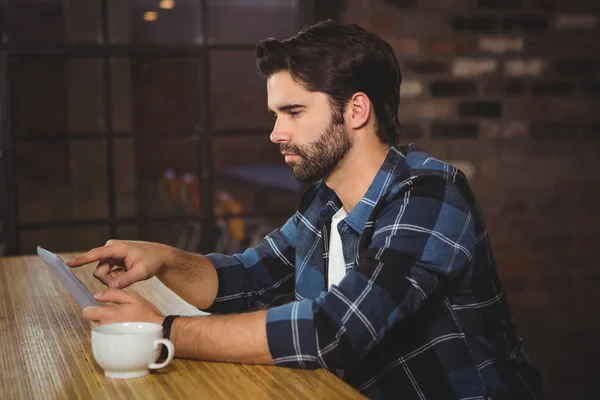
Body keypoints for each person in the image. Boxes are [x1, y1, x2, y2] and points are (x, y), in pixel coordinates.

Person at [68, 20, 544, 399]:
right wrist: (164, 260)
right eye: (276, 115)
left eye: (293, 113)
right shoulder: (325, 201)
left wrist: (164, 330)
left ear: (355, 111)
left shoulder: (431, 194)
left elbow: (334, 330)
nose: (276, 133)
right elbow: (245, 279)